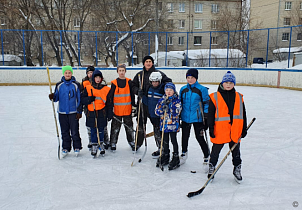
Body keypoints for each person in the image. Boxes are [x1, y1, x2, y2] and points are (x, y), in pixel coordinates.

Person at [207, 71, 247, 183]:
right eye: (226, 82)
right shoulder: (214, 96)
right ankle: (212, 167)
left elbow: (243, 113)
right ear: (222, 83)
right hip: (220, 130)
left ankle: (237, 168)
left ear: (234, 84)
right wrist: (210, 127)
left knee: (236, 152)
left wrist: (243, 128)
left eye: (230, 82)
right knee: (215, 151)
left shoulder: (239, 96)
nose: (228, 84)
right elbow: (210, 114)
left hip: (235, 130)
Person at [132, 55, 172, 150]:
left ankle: (160, 146)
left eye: (150, 61)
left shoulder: (158, 74)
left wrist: (162, 89)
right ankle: (138, 143)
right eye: (146, 61)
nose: (148, 63)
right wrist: (137, 91)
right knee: (141, 124)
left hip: (155, 104)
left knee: (157, 126)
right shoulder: (139, 75)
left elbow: (168, 83)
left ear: (152, 63)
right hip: (142, 103)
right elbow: (132, 86)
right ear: (144, 63)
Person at [179, 68, 210, 170]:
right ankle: (184, 154)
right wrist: (178, 115)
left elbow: (206, 104)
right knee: (185, 136)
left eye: (192, 77)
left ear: (196, 78)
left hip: (198, 118)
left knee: (199, 137)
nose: (190, 79)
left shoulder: (202, 89)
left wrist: (205, 117)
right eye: (188, 77)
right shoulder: (183, 89)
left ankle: (206, 156)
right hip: (185, 117)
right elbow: (180, 103)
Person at [48, 65, 82, 157]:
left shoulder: (76, 84)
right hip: (62, 112)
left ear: (72, 73)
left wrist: (79, 111)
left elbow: (79, 99)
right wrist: (52, 96)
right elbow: (56, 98)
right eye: (66, 73)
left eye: (69, 72)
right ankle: (66, 147)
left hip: (73, 112)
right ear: (63, 73)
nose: (67, 74)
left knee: (75, 131)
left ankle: (77, 147)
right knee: (64, 131)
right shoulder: (59, 85)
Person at [81, 70, 113, 157]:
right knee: (93, 130)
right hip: (91, 112)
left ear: (101, 78)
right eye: (96, 77)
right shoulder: (88, 88)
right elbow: (82, 100)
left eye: (99, 77)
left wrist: (110, 113)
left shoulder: (106, 89)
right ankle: (94, 144)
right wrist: (88, 99)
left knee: (101, 129)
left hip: (102, 112)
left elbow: (110, 103)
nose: (98, 79)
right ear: (93, 78)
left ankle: (101, 143)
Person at [108, 64, 136, 152]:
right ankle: (113, 142)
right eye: (120, 71)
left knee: (129, 128)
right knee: (115, 128)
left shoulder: (129, 82)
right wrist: (110, 109)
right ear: (117, 72)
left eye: (123, 70)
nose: (121, 72)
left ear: (125, 71)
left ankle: (131, 141)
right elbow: (110, 97)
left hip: (127, 110)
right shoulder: (114, 83)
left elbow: (132, 95)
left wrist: (134, 106)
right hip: (117, 111)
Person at [155, 82, 182, 170]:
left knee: (173, 141)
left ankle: (176, 156)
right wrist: (162, 108)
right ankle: (166, 154)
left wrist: (170, 108)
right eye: (167, 90)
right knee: (165, 140)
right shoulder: (162, 100)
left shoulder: (176, 100)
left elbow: (178, 111)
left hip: (173, 126)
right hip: (164, 125)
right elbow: (157, 111)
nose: (168, 92)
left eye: (170, 90)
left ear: (174, 91)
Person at [147, 72, 165, 157]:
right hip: (152, 116)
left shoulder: (163, 89)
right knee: (156, 133)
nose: (154, 83)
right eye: (153, 81)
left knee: (162, 134)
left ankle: (164, 149)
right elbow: (147, 101)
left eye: (156, 81)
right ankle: (159, 148)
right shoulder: (149, 89)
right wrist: (141, 96)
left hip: (161, 117)